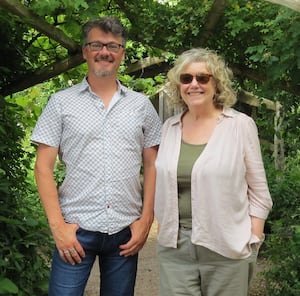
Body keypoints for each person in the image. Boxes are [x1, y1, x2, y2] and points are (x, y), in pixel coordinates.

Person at [31, 16, 161, 296]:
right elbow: (43, 167)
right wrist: (58, 228)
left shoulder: (141, 106)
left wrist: (146, 219)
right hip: (75, 230)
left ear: (122, 54)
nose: (105, 52)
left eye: (113, 46)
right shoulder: (60, 103)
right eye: (97, 45)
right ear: (85, 51)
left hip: (126, 231)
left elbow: (153, 164)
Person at [154, 48, 273, 296]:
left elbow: (260, 192)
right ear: (178, 86)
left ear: (216, 84)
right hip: (175, 248)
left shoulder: (239, 126)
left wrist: (252, 240)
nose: (194, 84)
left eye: (203, 78)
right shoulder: (170, 128)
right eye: (186, 78)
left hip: (226, 247)